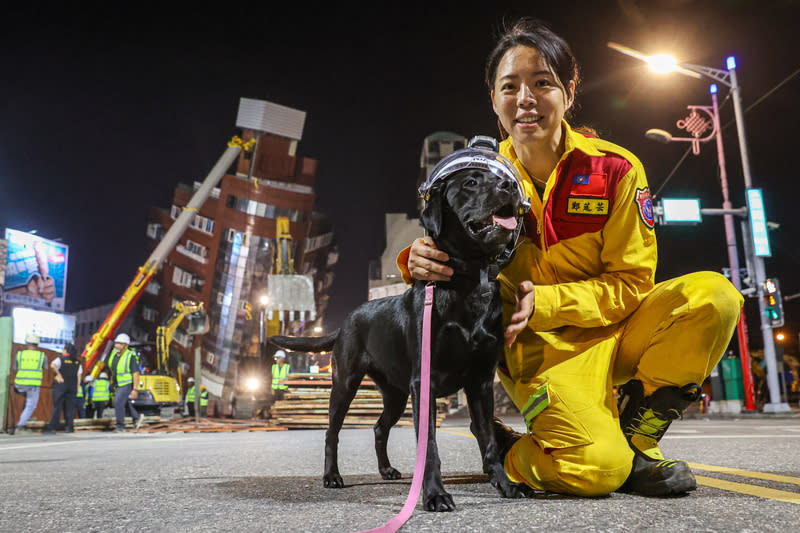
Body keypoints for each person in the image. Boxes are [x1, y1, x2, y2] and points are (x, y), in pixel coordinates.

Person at [401, 18, 742, 497]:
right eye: (510, 86)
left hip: (617, 330)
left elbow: (631, 283)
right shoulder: (474, 178)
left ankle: (636, 443)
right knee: (596, 472)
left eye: (543, 83)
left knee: (715, 295)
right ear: (494, 100)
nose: (526, 99)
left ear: (569, 90)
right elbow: (446, 254)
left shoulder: (615, 169)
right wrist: (414, 258)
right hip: (540, 354)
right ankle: (509, 453)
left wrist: (545, 302)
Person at [12, 333, 48, 434]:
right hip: (33, 385)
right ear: (37, 344)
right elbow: (44, 368)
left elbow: (15, 368)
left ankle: (25, 418)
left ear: (26, 343)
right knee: (31, 405)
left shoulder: (20, 354)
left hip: (18, 385)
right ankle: (20, 426)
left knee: (27, 402)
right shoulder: (42, 356)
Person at [44, 343, 82, 434]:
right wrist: (77, 387)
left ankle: (52, 428)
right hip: (72, 387)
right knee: (70, 408)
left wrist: (58, 374)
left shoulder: (60, 359)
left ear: (65, 351)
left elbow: (52, 365)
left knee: (57, 407)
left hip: (61, 386)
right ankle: (69, 427)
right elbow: (79, 376)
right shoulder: (77, 362)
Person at [108, 333, 141, 432]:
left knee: (117, 402)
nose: (117, 345)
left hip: (126, 383)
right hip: (118, 383)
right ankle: (136, 417)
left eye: (120, 344)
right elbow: (114, 368)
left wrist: (135, 389)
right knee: (124, 402)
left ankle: (120, 426)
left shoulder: (130, 356)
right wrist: (112, 379)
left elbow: (136, 373)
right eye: (116, 343)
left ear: (126, 346)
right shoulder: (114, 353)